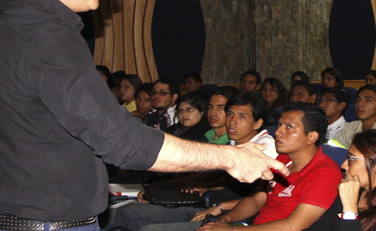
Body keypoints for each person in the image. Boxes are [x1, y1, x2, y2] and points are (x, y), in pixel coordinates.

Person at [0, 0, 287, 229]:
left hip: (5, 214)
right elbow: (123, 142)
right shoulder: (47, 36)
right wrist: (232, 158)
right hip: (48, 222)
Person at [113, 91, 278, 231]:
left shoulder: (264, 148)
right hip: (213, 204)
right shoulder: (237, 140)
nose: (232, 122)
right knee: (126, 213)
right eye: (230, 114)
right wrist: (207, 186)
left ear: (258, 123)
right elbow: (232, 179)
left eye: (242, 117)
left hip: (234, 216)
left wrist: (221, 207)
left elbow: (264, 197)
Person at [196, 103, 343, 231]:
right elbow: (256, 200)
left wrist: (230, 230)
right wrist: (225, 220)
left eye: (289, 127)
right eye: (280, 125)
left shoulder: (325, 173)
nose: (278, 132)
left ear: (311, 137)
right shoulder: (284, 158)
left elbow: (293, 226)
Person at [330, 85, 376, 149]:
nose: (360, 104)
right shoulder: (351, 127)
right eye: (358, 100)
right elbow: (332, 150)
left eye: (368, 100)